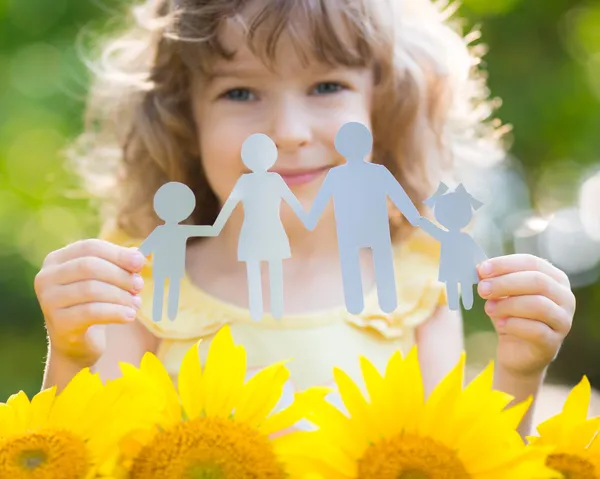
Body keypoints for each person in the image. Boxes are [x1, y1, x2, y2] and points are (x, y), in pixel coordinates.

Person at [36, 0, 576, 441]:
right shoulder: (146, 286)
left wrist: (521, 371)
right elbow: (84, 455)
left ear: (382, 108)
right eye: (240, 92)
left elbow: (466, 462)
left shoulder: (416, 286)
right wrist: (71, 353)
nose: (288, 131)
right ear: (184, 121)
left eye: (326, 87)